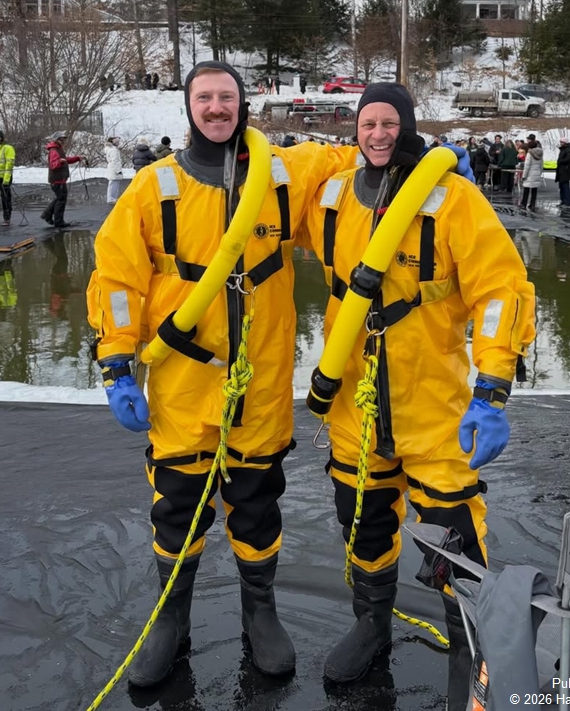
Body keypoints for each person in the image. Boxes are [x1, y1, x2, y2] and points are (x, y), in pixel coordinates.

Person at [87, 61, 362, 689]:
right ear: (189, 108)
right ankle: (170, 617)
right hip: (183, 382)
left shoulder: (281, 174)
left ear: (244, 105)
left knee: (256, 505)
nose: (216, 107)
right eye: (205, 97)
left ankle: (258, 610)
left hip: (259, 384)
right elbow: (117, 280)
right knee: (177, 507)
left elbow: (352, 158)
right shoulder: (154, 188)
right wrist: (115, 364)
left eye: (227, 97)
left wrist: (412, 151)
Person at [297, 83, 535, 701]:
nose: (377, 133)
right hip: (355, 404)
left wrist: (492, 389)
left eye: (389, 123)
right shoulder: (329, 199)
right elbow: (261, 195)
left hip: (434, 407)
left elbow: (502, 289)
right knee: (363, 523)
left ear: (407, 127)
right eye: (367, 122)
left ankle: (469, 640)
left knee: (454, 532)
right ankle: (370, 621)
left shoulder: (451, 198)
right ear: (355, 129)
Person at [41, 133, 84, 229]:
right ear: (57, 140)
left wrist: (77, 158)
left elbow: (65, 159)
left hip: (60, 179)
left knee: (59, 198)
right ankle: (58, 221)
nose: (63, 141)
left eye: (64, 139)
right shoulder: (54, 150)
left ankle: (47, 215)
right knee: (61, 200)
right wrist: (60, 162)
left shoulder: (58, 149)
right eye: (62, 139)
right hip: (57, 180)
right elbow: (53, 165)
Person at [520, 135, 544, 211]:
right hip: (536, 174)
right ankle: (532, 204)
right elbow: (541, 165)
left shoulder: (529, 154)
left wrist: (524, 176)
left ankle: (524, 203)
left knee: (526, 189)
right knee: (534, 190)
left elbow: (527, 166)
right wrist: (540, 173)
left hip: (529, 174)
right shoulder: (540, 153)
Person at [555, 138, 570, 208]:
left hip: (565, 170)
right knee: (561, 187)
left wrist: (561, 161)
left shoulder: (568, 149)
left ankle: (567, 202)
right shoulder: (563, 149)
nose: (560, 143)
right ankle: (563, 201)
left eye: (562, 142)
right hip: (561, 170)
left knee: (565, 187)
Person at [104, 137, 124, 205]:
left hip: (113, 168)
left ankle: (113, 198)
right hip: (114, 169)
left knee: (114, 184)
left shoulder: (112, 149)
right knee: (113, 184)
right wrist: (118, 170)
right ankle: (111, 198)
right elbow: (115, 161)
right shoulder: (113, 150)